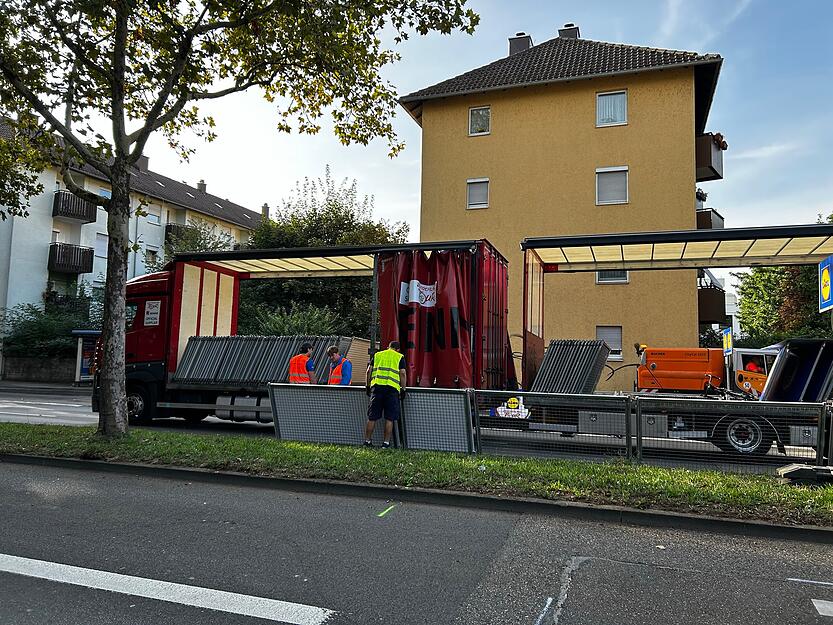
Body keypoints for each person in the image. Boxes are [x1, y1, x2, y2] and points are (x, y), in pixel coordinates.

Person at [364, 340, 406, 448]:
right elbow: (402, 373)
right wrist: (403, 389)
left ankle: (367, 441)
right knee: (389, 418)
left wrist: (367, 386)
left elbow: (369, 370)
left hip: (377, 388)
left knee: (372, 417)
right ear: (398, 349)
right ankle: (385, 443)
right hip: (392, 390)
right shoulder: (399, 357)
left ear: (388, 347)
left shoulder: (377, 355)